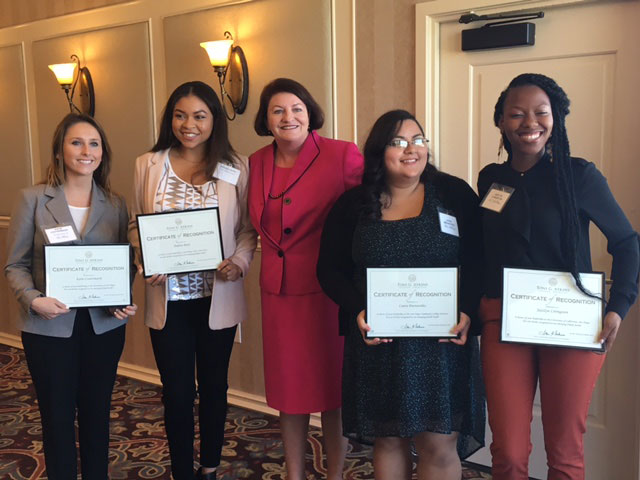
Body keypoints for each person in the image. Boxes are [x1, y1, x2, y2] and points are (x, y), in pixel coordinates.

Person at [478, 73, 640, 480]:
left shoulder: (579, 176)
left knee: (565, 454)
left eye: (540, 112)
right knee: (509, 453)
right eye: (516, 114)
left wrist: (618, 306)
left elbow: (626, 242)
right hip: (504, 322)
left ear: (557, 118)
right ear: (500, 121)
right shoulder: (489, 179)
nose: (529, 122)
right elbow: (482, 251)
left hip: (570, 322)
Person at [316, 109, 485, 480]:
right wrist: (357, 309)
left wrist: (469, 312)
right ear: (379, 151)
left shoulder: (454, 194)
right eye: (398, 142)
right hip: (381, 343)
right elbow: (328, 270)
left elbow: (478, 259)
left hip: (441, 345)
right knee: (389, 440)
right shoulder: (353, 205)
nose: (411, 149)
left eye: (418, 140)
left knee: (438, 444)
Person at [128, 81, 256, 480]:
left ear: (214, 120)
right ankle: (182, 469)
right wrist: (147, 258)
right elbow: (136, 225)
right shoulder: (148, 164)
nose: (189, 124)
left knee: (215, 388)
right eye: (180, 115)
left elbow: (248, 229)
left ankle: (211, 466)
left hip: (217, 296)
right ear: (171, 119)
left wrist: (239, 261)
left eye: (199, 116)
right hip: (169, 298)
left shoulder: (237, 165)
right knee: (178, 392)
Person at [4, 113, 136, 479]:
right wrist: (33, 299)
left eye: (94, 144)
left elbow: (125, 263)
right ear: (60, 150)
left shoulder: (116, 202)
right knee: (57, 415)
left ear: (102, 153)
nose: (86, 151)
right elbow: (15, 265)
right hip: (48, 328)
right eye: (76, 142)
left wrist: (121, 297)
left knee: (97, 413)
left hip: (103, 327)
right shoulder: (32, 198)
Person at [247, 78, 363, 480]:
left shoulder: (342, 155)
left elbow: (364, 216)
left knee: (333, 391)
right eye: (277, 110)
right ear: (266, 119)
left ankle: (336, 473)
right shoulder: (257, 161)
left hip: (326, 292)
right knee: (288, 392)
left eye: (296, 108)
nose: (288, 117)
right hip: (278, 294)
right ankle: (294, 473)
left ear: (310, 112)